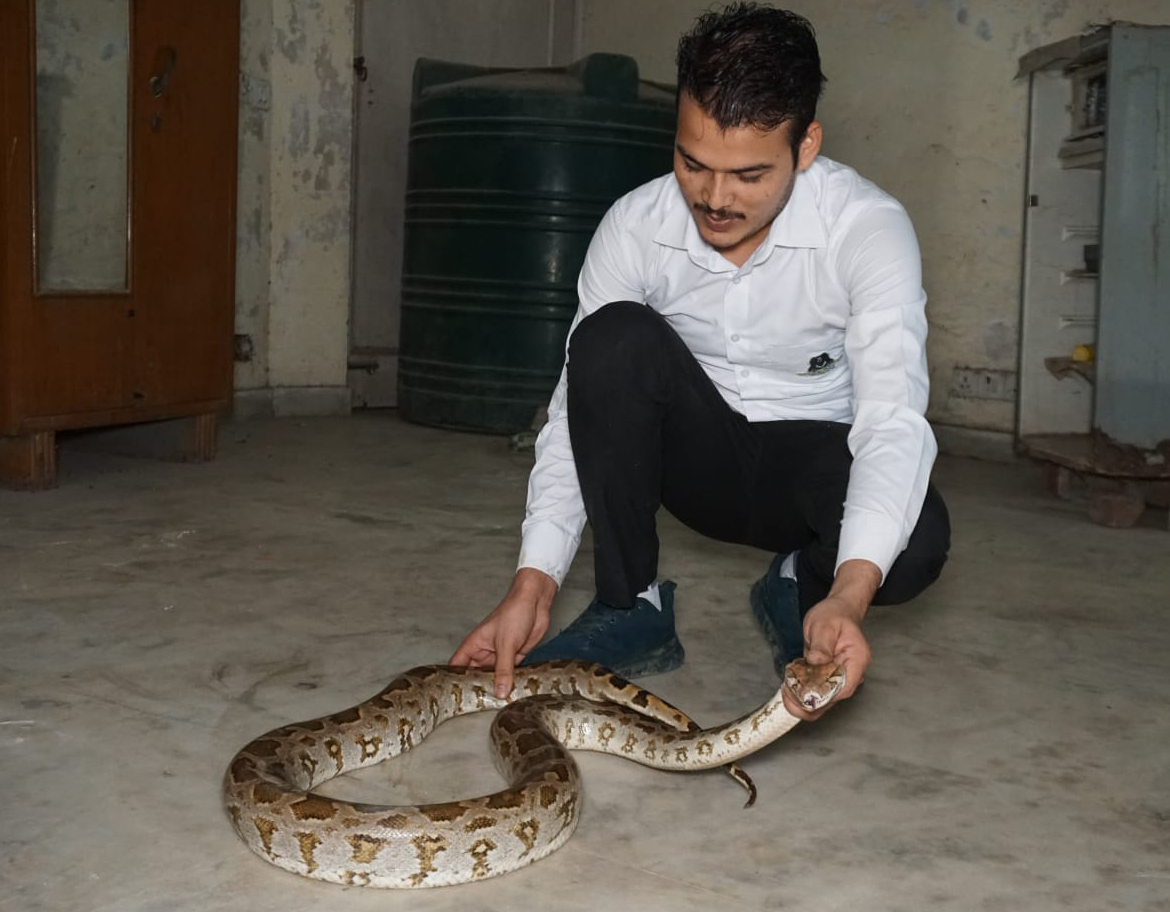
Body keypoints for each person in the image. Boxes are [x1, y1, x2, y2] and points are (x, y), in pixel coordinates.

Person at [450, 2, 950, 720]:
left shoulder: (867, 230)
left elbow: (892, 421)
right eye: (693, 163)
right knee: (609, 340)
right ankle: (633, 604)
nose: (715, 199)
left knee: (917, 541)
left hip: (813, 474)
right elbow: (574, 411)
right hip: (696, 464)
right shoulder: (635, 226)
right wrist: (534, 581)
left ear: (805, 146)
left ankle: (802, 587)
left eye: (748, 174)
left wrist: (850, 592)